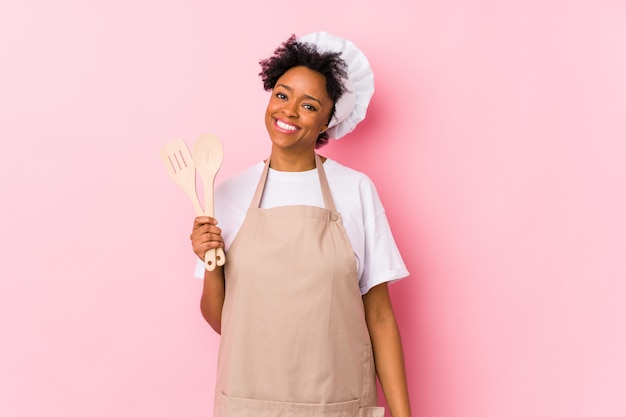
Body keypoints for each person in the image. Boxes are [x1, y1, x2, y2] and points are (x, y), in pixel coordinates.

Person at [190, 32, 411, 417]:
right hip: (248, 403)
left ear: (329, 118)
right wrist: (210, 259)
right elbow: (222, 319)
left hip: (335, 404)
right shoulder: (226, 193)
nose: (288, 111)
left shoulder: (356, 190)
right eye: (282, 94)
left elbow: (379, 317)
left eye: (308, 105)